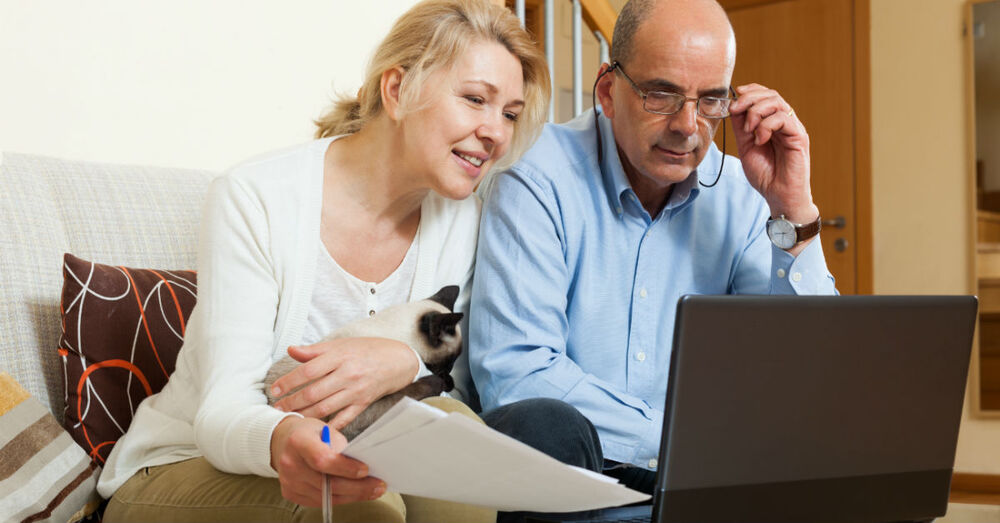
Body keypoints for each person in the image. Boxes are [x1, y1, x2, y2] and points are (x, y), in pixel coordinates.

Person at [96, 1, 550, 521]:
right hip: (186, 466)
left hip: (357, 446)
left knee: (459, 446)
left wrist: (402, 361)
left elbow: (464, 386)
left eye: (510, 114)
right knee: (367, 503)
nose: (496, 132)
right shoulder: (255, 196)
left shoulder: (462, 218)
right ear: (397, 90)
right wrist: (289, 435)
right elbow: (221, 412)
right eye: (475, 99)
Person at [469, 0, 838, 498]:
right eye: (661, 95)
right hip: (582, 479)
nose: (688, 126)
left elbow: (812, 366)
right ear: (607, 90)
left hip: (713, 483)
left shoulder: (743, 192)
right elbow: (518, 375)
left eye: (711, 101)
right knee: (546, 426)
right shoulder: (536, 177)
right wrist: (685, 443)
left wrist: (792, 206)